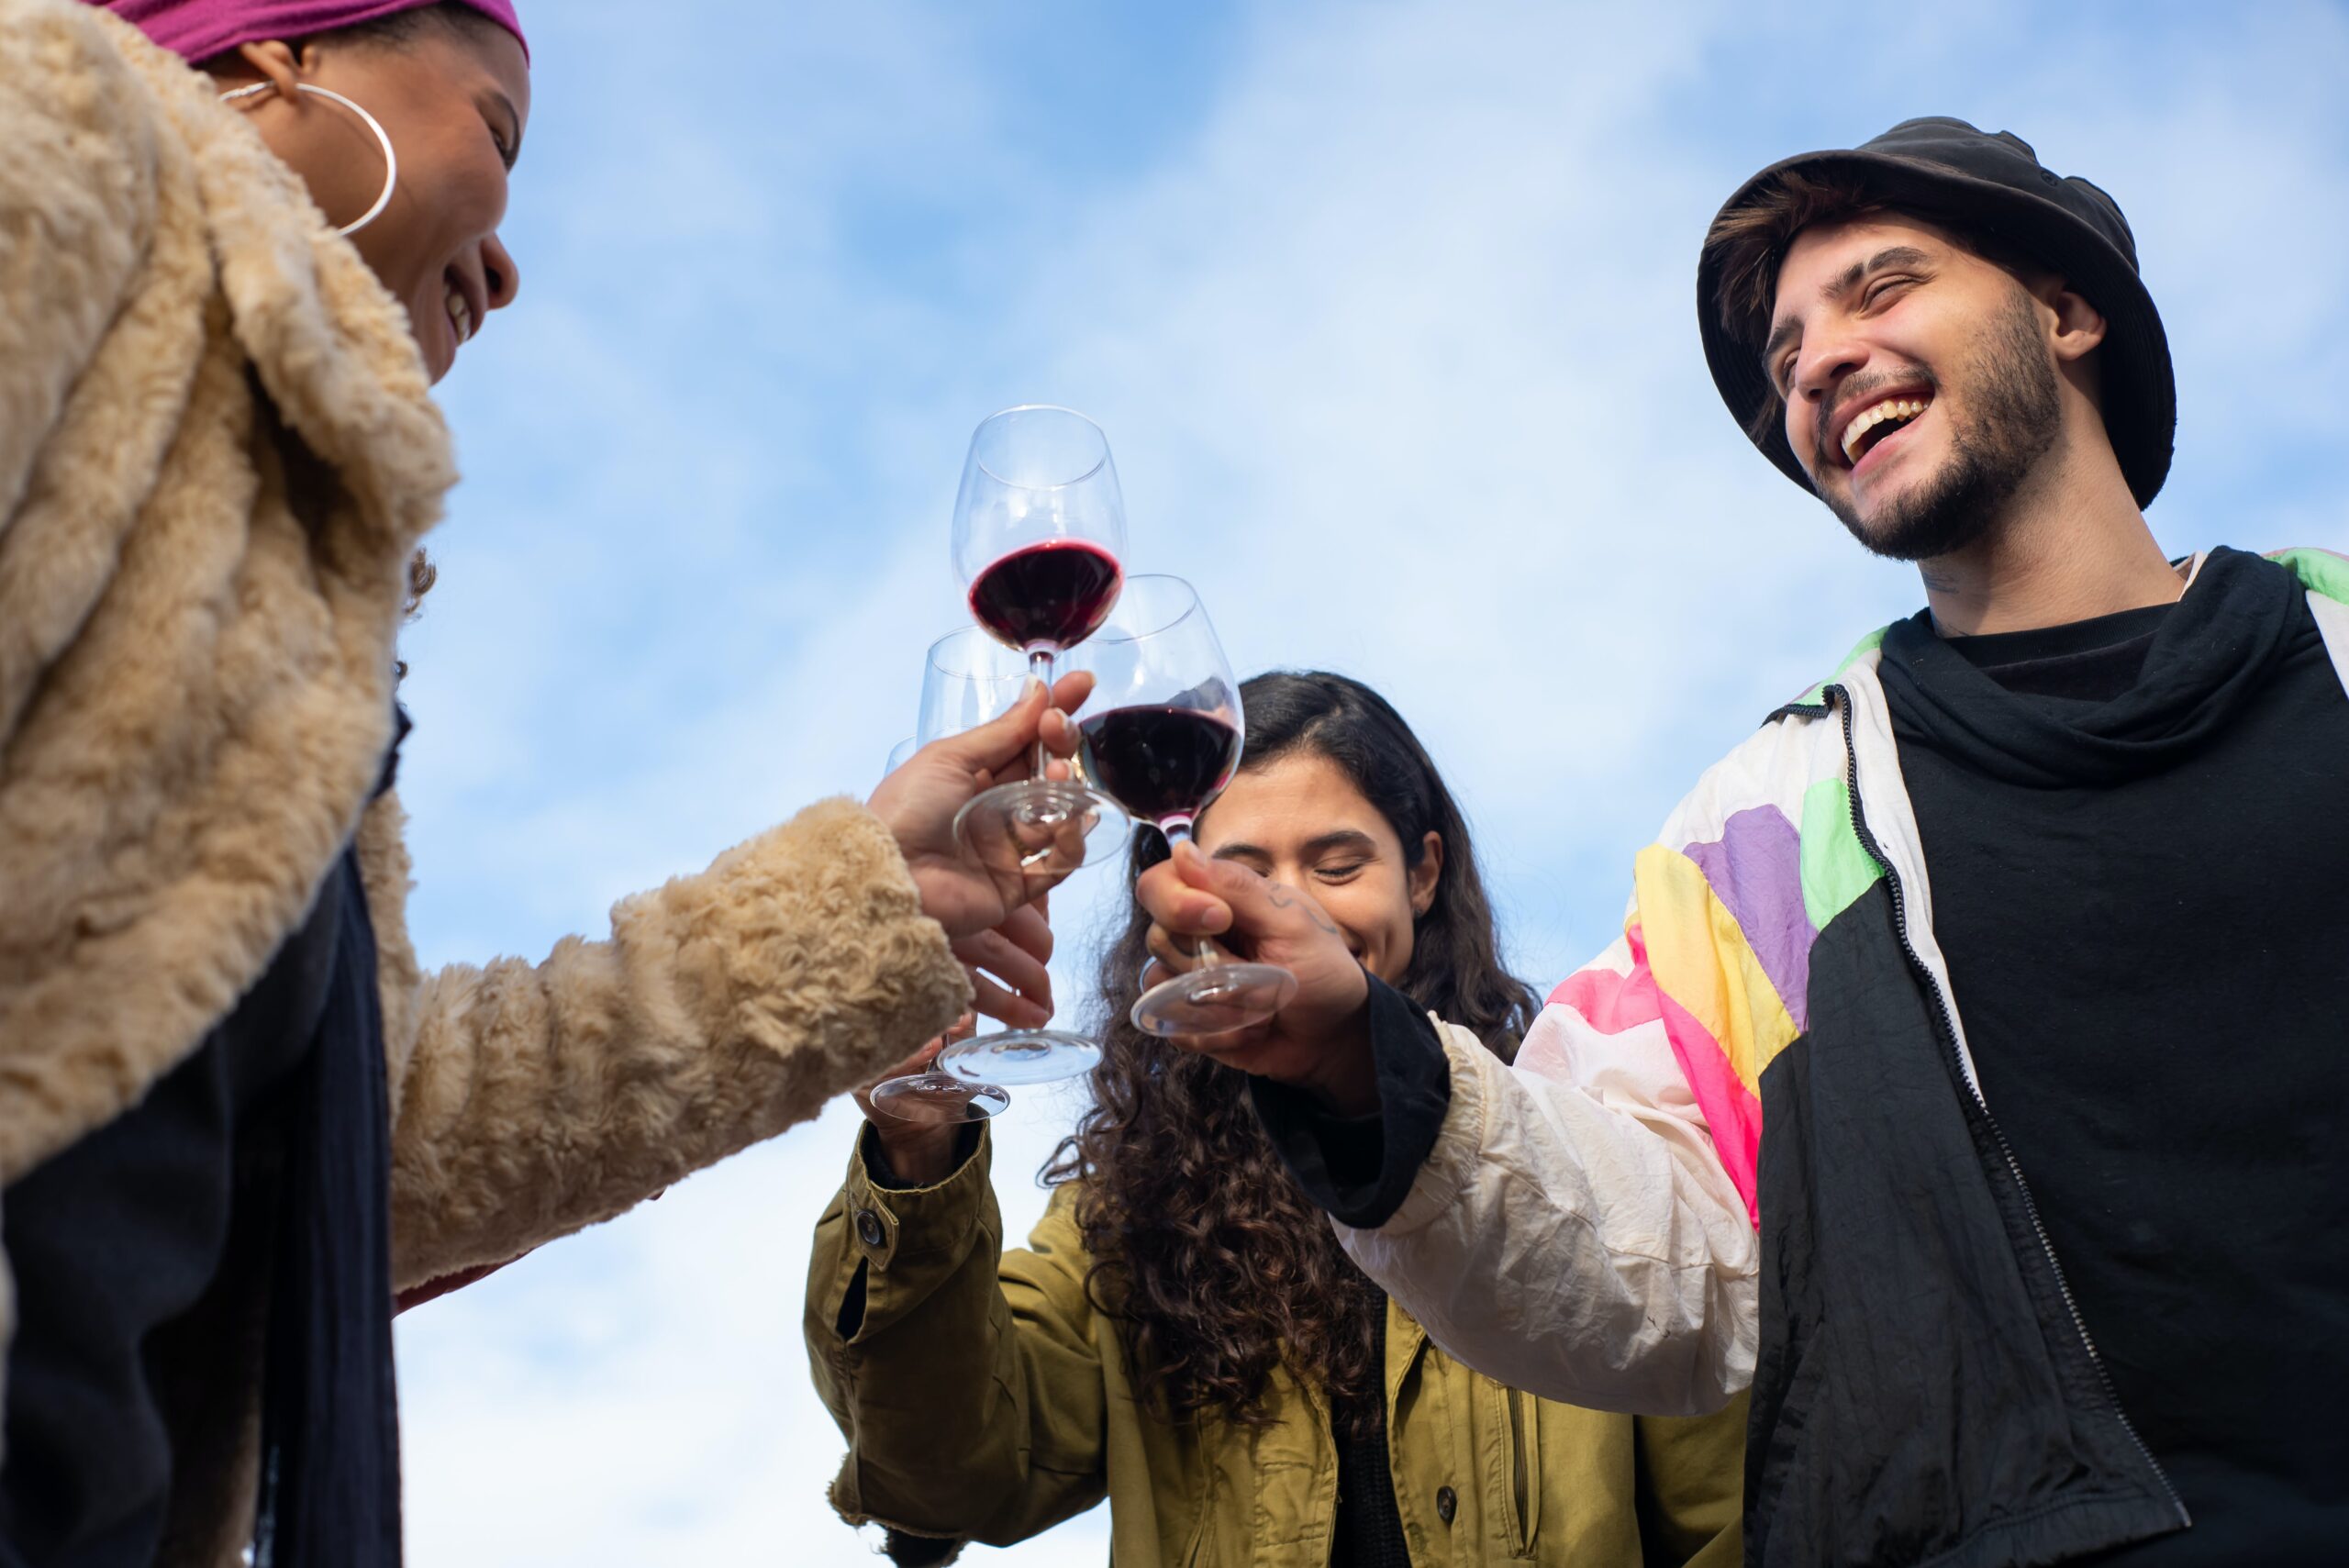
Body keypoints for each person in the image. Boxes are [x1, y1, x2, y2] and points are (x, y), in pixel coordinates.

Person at [1132, 120, 2349, 1565]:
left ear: (2066, 310)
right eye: (1787, 356)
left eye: (1882, 287)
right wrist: (1357, 1057)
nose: (1819, 362)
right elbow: (1649, 1256)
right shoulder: (1761, 834)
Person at [0, 3, 1074, 1562]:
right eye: (495, 131)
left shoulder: (299, 583)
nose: (504, 268)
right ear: (271, 56)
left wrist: (867, 902)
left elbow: (382, 1147)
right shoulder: (50, 142)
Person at [806, 672, 1747, 1567]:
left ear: (1422, 873)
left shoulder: (1584, 1155)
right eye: (1240, 871)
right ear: (1174, 899)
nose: (1288, 903)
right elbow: (948, 1469)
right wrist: (916, 1142)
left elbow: (1738, 1515)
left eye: (1337, 864)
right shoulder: (1124, 1216)